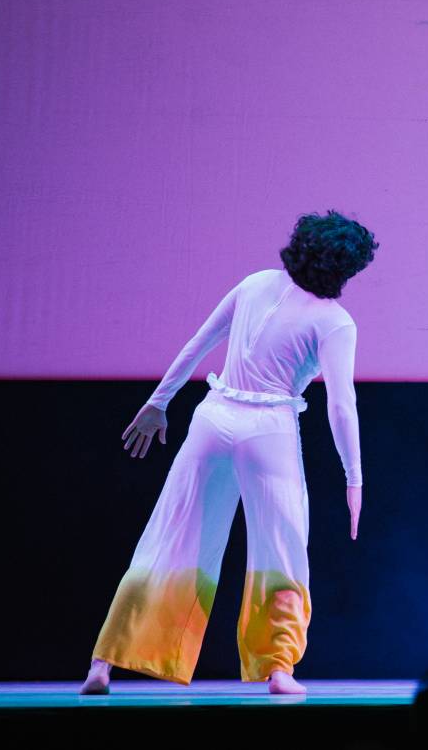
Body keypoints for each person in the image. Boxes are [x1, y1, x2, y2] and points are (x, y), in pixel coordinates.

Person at [80, 211, 377, 696]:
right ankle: (279, 667)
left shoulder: (255, 283)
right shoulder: (334, 320)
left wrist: (159, 402)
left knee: (168, 536)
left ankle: (104, 662)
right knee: (280, 549)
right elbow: (342, 406)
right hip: (269, 429)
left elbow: (198, 344)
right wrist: (354, 476)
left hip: (212, 419)